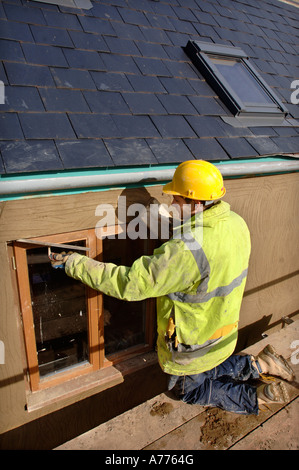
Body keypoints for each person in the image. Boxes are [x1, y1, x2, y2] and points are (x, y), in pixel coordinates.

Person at [50, 160, 294, 415]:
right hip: (221, 334)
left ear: (197, 203)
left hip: (194, 345)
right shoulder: (234, 223)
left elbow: (131, 283)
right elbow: (203, 254)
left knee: (188, 390)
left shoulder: (187, 250)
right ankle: (259, 365)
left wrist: (75, 263)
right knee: (207, 369)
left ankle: (257, 397)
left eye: (177, 200)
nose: (172, 205)